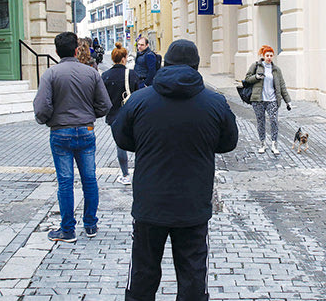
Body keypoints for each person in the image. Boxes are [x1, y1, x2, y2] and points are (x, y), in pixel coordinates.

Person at [111, 39, 238, 301]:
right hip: (193, 204)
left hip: (150, 203)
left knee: (143, 275)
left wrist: (147, 144)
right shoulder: (215, 102)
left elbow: (122, 138)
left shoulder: (139, 100)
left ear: (165, 63)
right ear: (196, 65)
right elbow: (229, 142)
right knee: (193, 276)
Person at [33, 32, 112, 242]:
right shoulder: (91, 73)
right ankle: (91, 225)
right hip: (86, 130)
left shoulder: (51, 74)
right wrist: (88, 115)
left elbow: (41, 107)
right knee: (89, 179)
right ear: (76, 50)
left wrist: (49, 119)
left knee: (65, 182)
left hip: (60, 131)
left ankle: (67, 229)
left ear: (57, 51)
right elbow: (105, 104)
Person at [101, 42, 139, 185]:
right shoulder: (132, 74)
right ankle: (139, 172)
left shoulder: (105, 75)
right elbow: (139, 93)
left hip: (114, 116)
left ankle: (125, 174)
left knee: (120, 145)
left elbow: (102, 98)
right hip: (132, 114)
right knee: (138, 143)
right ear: (124, 58)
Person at [245, 45, 292, 155]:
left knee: (274, 121)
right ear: (263, 55)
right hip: (258, 100)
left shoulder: (276, 70)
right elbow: (247, 79)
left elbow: (282, 85)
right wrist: (256, 77)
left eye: (271, 55)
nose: (269, 57)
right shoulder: (255, 66)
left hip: (273, 100)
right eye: (267, 55)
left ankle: (274, 144)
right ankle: (262, 143)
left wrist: (288, 101)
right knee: (261, 122)